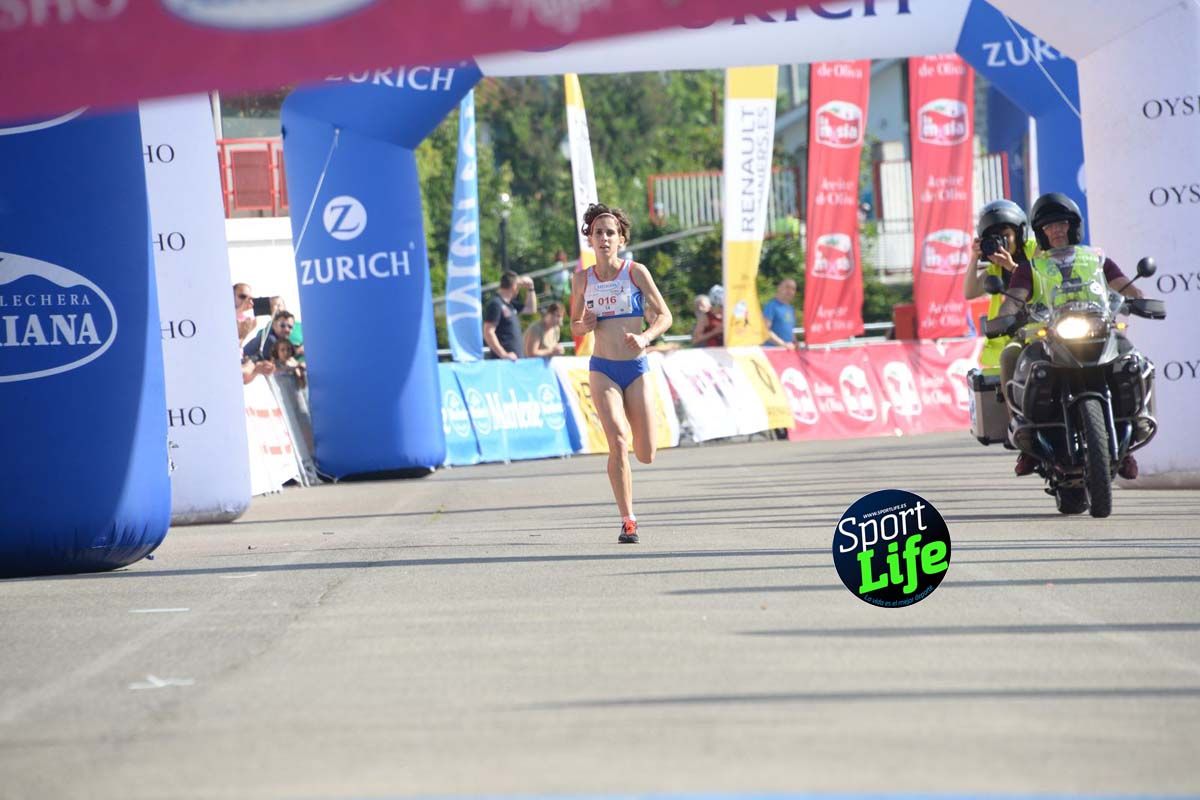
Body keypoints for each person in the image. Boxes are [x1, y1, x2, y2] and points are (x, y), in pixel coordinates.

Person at [996, 192, 1143, 478]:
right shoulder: (1031, 267)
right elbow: (1014, 297)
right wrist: (1006, 314)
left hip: (1098, 330)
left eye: (1061, 223)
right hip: (1048, 335)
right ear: (1041, 232)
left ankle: (1129, 440)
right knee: (1010, 354)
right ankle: (1025, 439)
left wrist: (1139, 299)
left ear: (1073, 225)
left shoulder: (1096, 260)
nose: (1057, 230)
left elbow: (1124, 286)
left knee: (1133, 360)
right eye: (1049, 226)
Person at [570, 203, 673, 544]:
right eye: (598, 232)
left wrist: (644, 337)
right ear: (590, 239)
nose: (604, 238)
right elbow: (576, 325)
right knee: (617, 441)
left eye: (610, 233)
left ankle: (643, 452)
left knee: (645, 453)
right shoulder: (582, 279)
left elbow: (665, 316)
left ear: (622, 239)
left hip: (636, 367)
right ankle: (628, 520)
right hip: (603, 369)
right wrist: (583, 325)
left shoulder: (636, 272)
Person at [965, 199, 1032, 373]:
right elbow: (969, 292)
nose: (1001, 242)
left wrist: (1011, 267)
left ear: (1019, 234)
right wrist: (974, 257)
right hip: (1007, 340)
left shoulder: (1035, 251)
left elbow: (1041, 281)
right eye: (994, 238)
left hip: (1040, 330)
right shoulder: (995, 268)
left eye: (1006, 235)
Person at [483, 271, 536, 360]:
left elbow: (531, 309)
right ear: (514, 286)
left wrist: (531, 288)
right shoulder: (496, 304)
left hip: (516, 359)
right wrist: (503, 354)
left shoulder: (510, 305)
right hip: (504, 362)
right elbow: (488, 331)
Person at [762, 278, 798, 349]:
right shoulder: (771, 306)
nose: (790, 291)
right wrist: (783, 344)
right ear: (779, 288)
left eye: (793, 289)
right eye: (787, 287)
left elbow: (790, 331)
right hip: (773, 352)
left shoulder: (791, 309)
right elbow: (765, 331)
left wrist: (796, 343)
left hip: (787, 352)